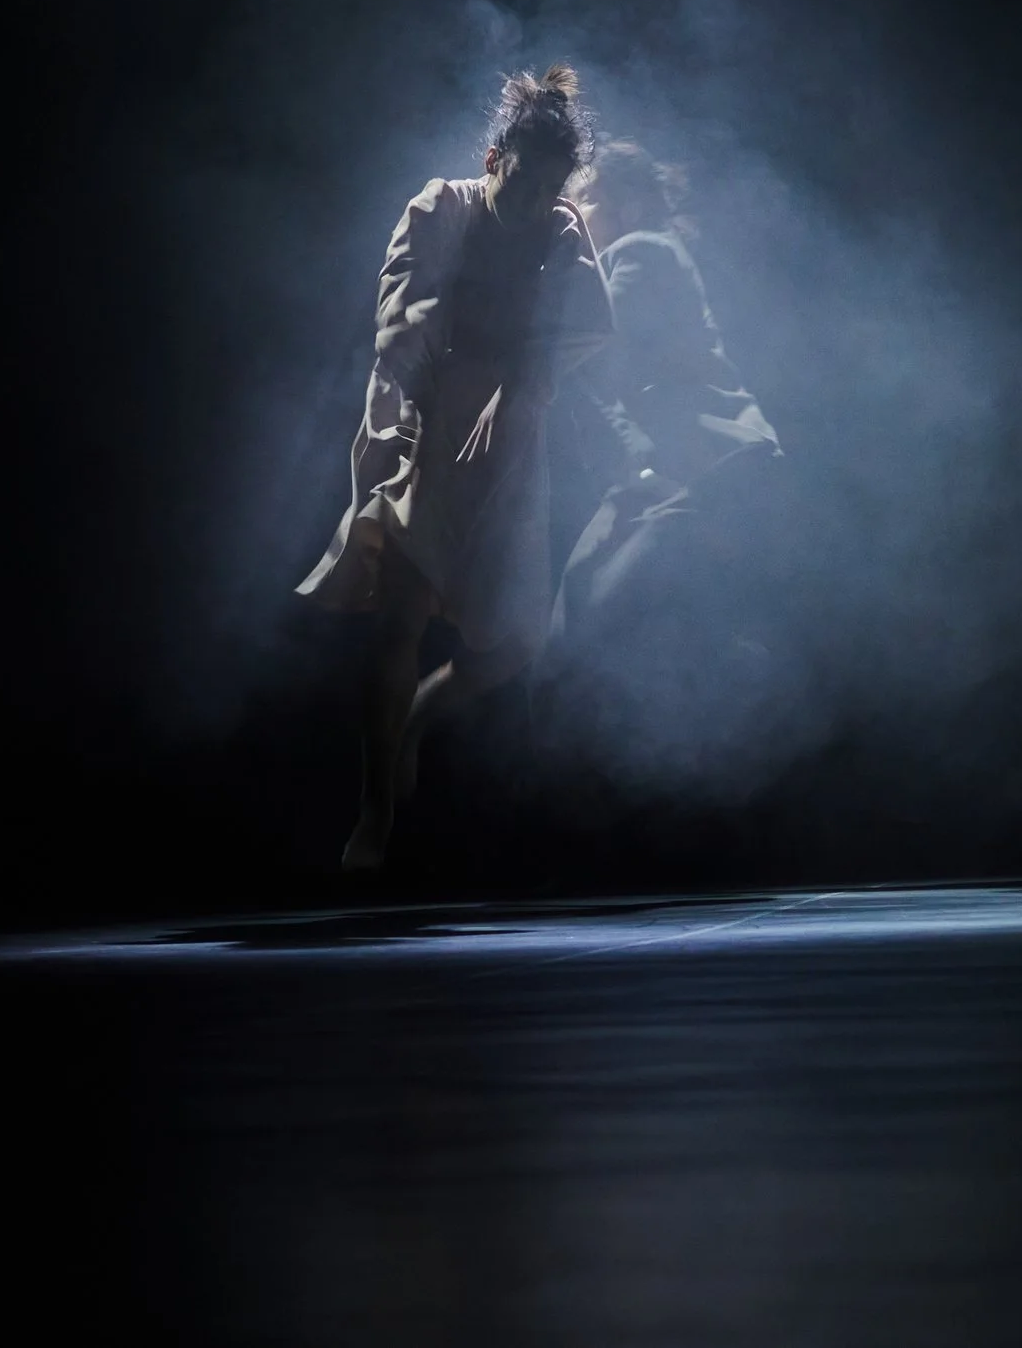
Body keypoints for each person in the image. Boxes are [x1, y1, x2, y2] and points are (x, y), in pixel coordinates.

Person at [296, 66, 614, 872]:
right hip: (431, 424)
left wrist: (519, 398)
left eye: (551, 184)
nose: (533, 196)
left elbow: (571, 329)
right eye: (522, 175)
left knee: (513, 642)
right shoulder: (442, 207)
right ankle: (374, 810)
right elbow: (405, 314)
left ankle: (423, 717)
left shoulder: (561, 232)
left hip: (508, 435)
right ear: (493, 157)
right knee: (400, 616)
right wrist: (400, 414)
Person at [540, 140, 785, 782]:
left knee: (602, 611)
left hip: (717, 470)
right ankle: (727, 665)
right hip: (657, 478)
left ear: (619, 204)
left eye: (585, 199)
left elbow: (591, 339)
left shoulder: (642, 251)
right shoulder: (629, 256)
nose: (577, 212)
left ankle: (748, 674)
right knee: (576, 608)